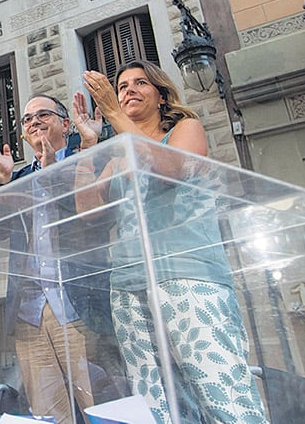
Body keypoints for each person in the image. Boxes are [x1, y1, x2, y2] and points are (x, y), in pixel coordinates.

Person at [72, 60, 267, 423]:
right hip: (131, 284)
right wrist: (87, 144)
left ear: (161, 96)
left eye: (139, 83)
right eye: (122, 86)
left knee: (219, 390)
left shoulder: (185, 129)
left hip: (188, 274)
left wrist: (115, 115)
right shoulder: (117, 157)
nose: (128, 90)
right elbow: (87, 210)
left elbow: (173, 169)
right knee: (156, 399)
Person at [0, 94, 122, 422]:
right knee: (49, 414)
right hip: (29, 316)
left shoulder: (87, 161)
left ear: (65, 123)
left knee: (103, 408)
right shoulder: (18, 178)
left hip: (78, 307)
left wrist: (53, 172)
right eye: (27, 119)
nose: (33, 122)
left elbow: (101, 217)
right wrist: (3, 180)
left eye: (42, 114)